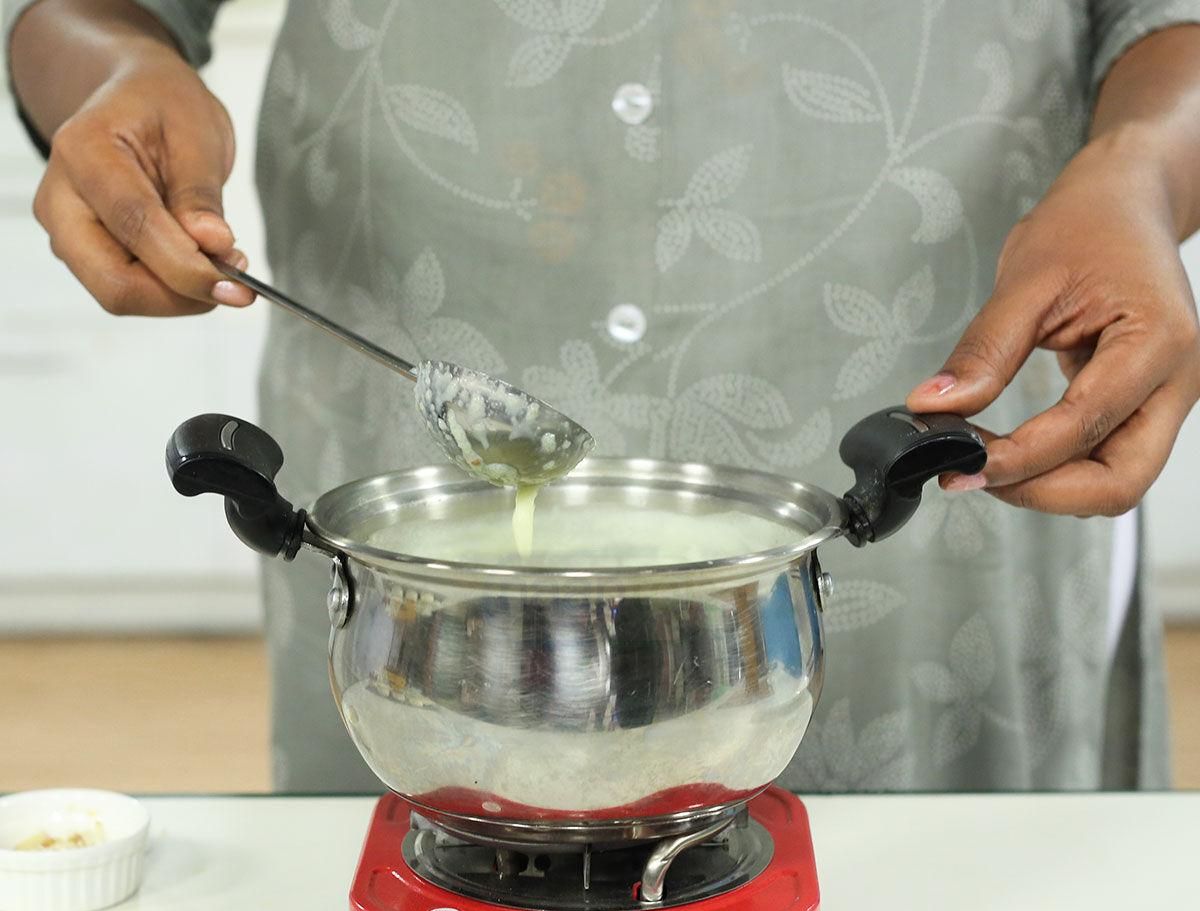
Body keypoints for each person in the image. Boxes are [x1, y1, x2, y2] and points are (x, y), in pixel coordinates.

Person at [6, 0, 1199, 793]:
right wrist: (120, 69)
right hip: (406, 439)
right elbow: (85, 8)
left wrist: (1140, 171)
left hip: (938, 420)